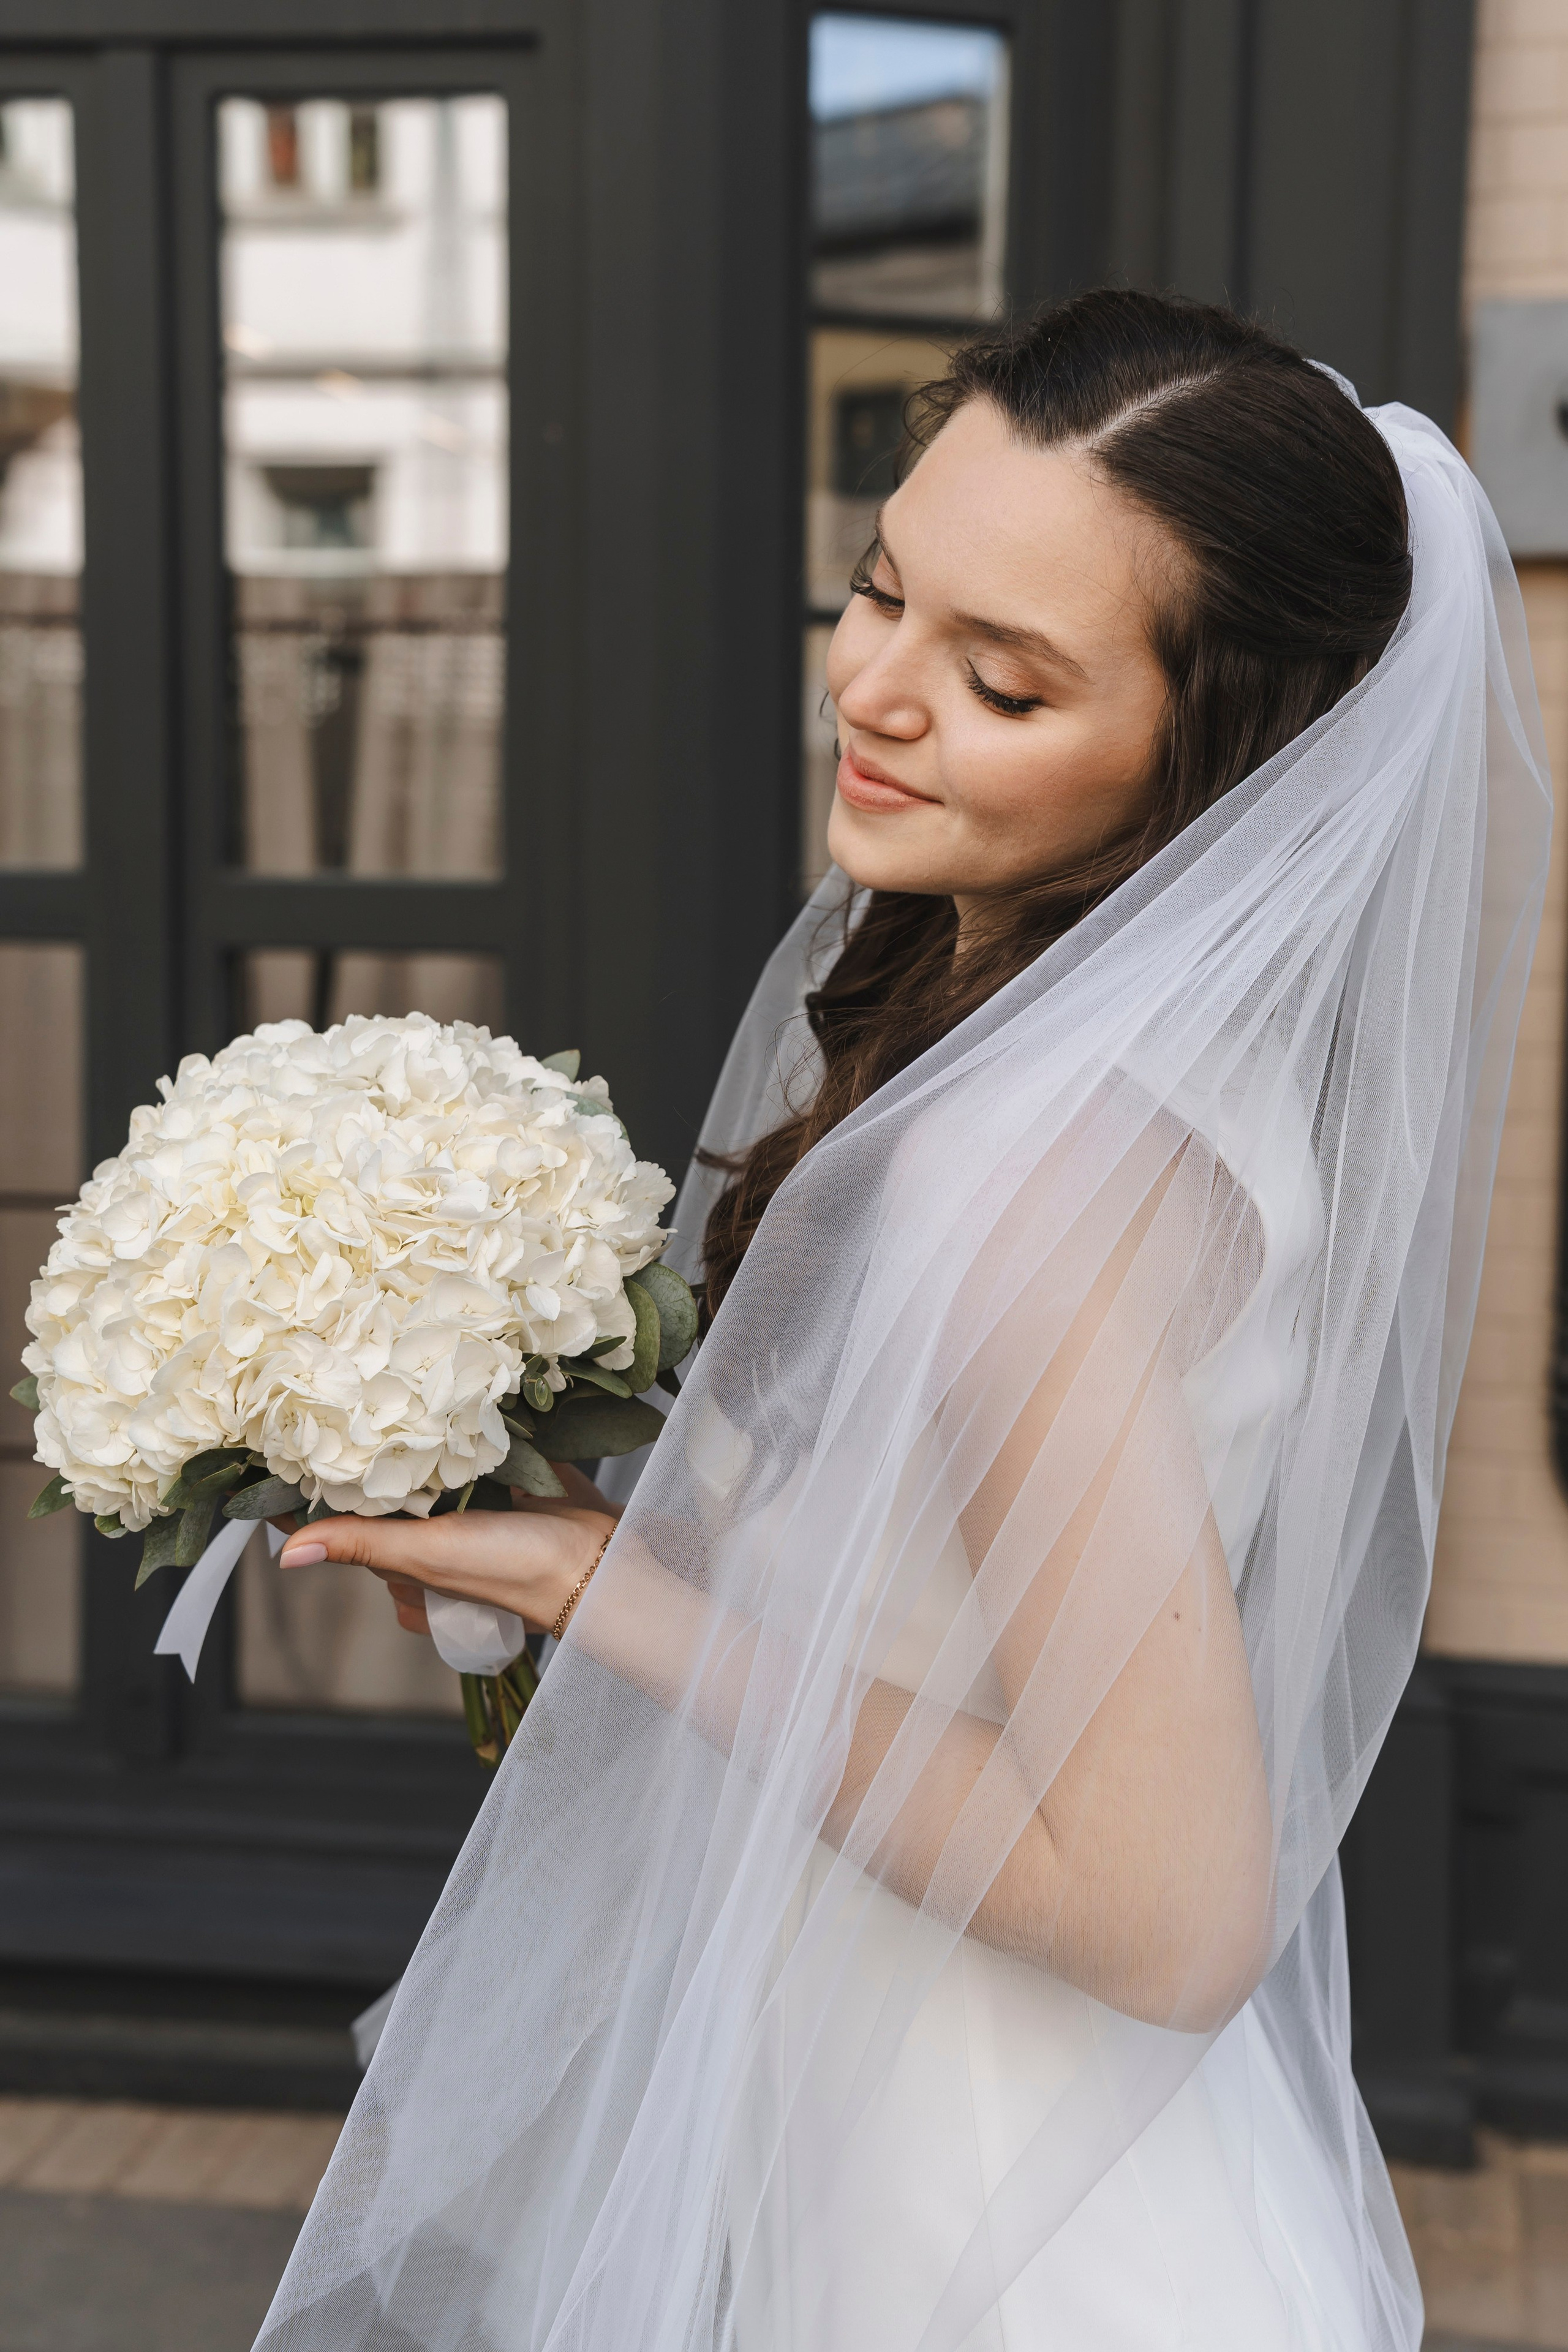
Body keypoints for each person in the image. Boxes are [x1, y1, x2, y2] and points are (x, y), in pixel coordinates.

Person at [257, 290, 1550, 2352]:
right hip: (939, 2092)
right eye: (880, 591)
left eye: (1005, 680)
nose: (876, 689)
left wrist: (615, 1593)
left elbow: (1165, 1914)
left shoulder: (1023, 1177)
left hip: (981, 2203)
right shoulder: (1109, 1048)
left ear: (1219, 745)